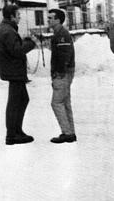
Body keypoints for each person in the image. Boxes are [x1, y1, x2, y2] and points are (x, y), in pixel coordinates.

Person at [0, 4, 37, 145]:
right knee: (15, 103)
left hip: (13, 71)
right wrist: (30, 43)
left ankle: (16, 132)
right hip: (14, 72)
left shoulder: (6, 29)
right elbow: (17, 51)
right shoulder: (8, 31)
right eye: (18, 14)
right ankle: (12, 135)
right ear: (11, 16)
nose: (20, 17)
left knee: (22, 100)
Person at [48, 9, 77, 144]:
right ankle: (70, 132)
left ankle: (67, 132)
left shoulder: (61, 35)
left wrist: (58, 73)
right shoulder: (60, 34)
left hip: (62, 73)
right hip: (64, 72)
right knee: (65, 103)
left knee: (57, 103)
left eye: (51, 18)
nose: (48, 20)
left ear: (58, 20)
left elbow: (64, 55)